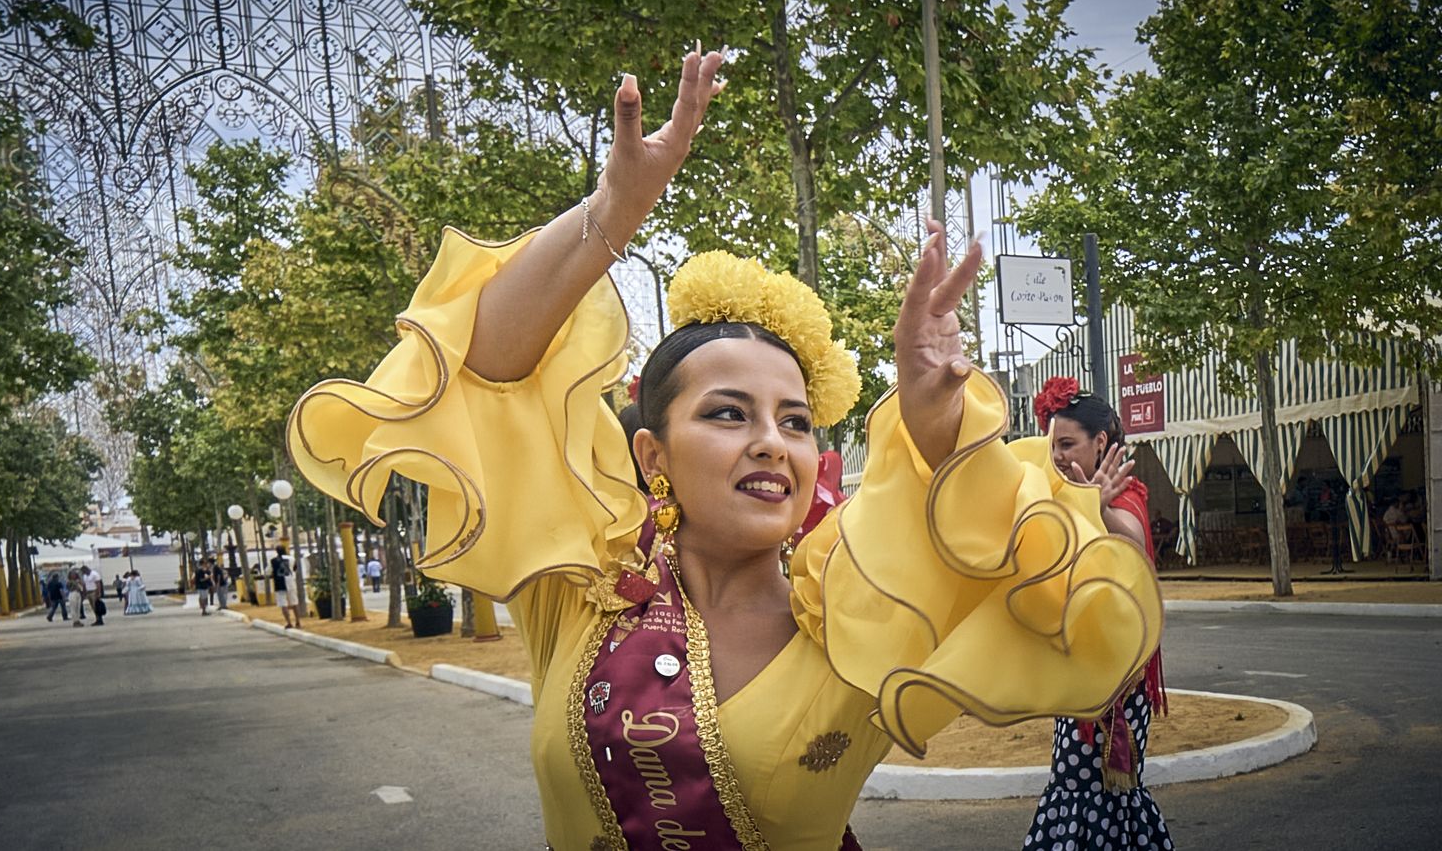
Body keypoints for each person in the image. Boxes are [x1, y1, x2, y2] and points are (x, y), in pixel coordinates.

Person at [285, 49, 1161, 849]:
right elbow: (482, 371)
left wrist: (937, 425)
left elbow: (1025, 566)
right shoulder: (582, 591)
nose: (772, 444)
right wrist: (613, 213)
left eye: (794, 420)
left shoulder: (853, 609)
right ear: (651, 456)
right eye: (729, 414)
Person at [1024, 377, 1172, 851]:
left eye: (1067, 443)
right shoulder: (1064, 494)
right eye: (1053, 446)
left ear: (1101, 442)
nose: (1059, 455)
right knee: (1077, 784)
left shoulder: (1125, 494)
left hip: (1117, 681)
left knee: (1098, 787)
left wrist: (1099, 508)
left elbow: (1134, 547)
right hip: (1081, 667)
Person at [270, 546, 299, 628]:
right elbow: (295, 568)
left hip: (279, 583)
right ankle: (298, 621)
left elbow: (268, 572)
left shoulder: (273, 561)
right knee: (294, 602)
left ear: (276, 552)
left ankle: (289, 622)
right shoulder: (291, 558)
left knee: (283, 603)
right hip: (290, 582)